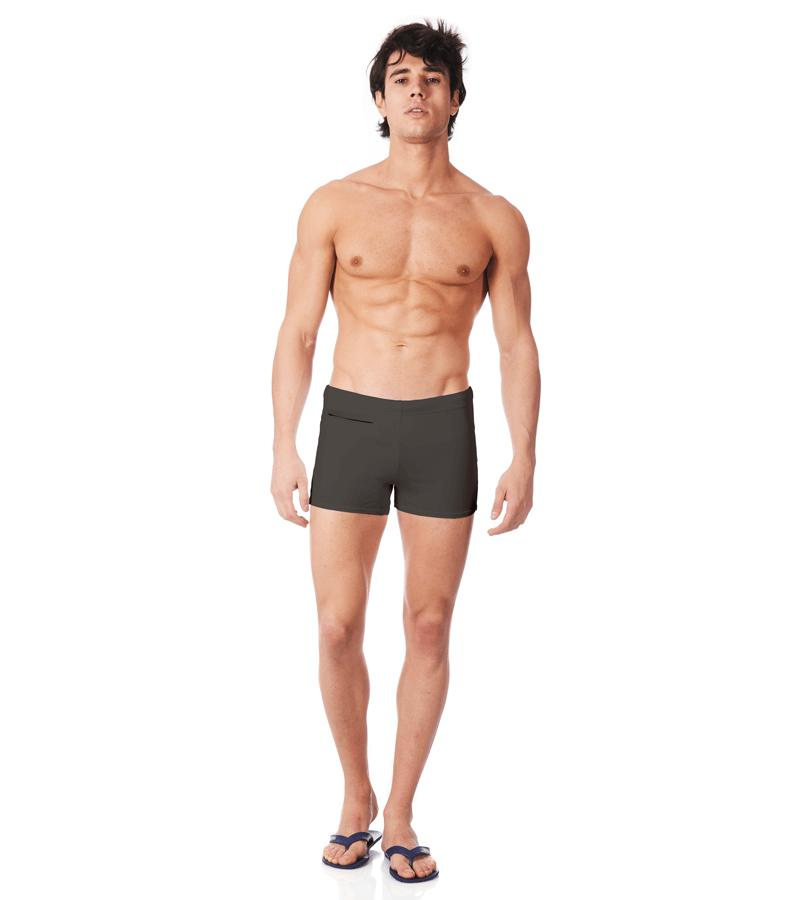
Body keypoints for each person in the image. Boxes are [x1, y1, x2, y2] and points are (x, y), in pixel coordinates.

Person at [270, 18, 540, 883]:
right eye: (400, 77)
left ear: (455, 100)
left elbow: (515, 345)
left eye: (432, 78)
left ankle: (399, 813)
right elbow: (298, 332)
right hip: (350, 422)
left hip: (440, 426)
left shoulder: (493, 217)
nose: (416, 89)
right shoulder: (333, 204)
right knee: (336, 626)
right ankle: (353, 795)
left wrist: (524, 454)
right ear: (379, 101)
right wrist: (283, 444)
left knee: (427, 625)